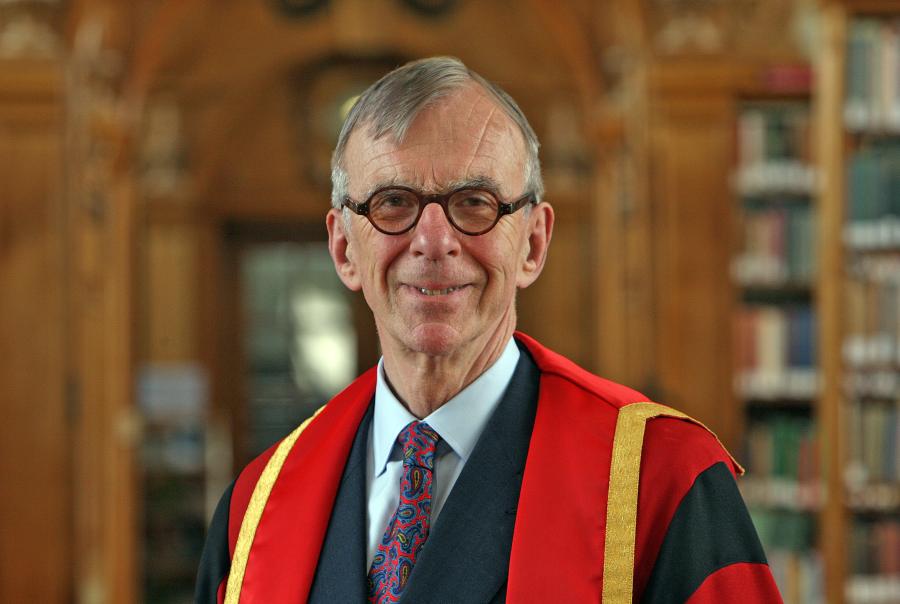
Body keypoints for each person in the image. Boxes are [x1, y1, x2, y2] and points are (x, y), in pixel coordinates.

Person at [196, 56, 782, 604]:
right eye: (392, 202)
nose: (433, 241)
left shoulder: (663, 479)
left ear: (533, 242)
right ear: (344, 247)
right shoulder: (257, 507)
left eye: (474, 202)